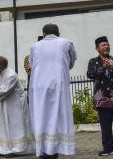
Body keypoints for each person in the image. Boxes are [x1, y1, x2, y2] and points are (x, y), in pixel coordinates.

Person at [29, 24, 77, 158]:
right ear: (58, 33)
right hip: (58, 85)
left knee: (42, 116)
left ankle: (44, 149)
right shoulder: (67, 43)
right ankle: (54, 149)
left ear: (43, 33)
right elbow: (71, 62)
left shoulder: (35, 46)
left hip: (39, 87)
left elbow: (33, 65)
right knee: (58, 116)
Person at [87, 36, 113, 156]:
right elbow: (90, 74)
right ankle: (108, 149)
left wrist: (111, 68)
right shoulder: (93, 61)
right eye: (103, 45)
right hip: (102, 99)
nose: (106, 47)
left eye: (107, 44)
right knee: (105, 126)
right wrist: (102, 68)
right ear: (97, 48)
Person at [0, 56, 34, 157]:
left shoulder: (11, 74)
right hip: (6, 103)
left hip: (16, 104)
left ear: (2, 65)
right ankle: (6, 149)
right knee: (6, 125)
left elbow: (4, 90)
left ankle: (19, 149)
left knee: (17, 125)